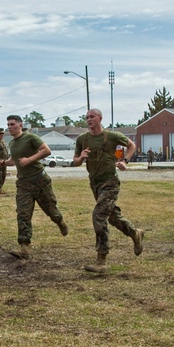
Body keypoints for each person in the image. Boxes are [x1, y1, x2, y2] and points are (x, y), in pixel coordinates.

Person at [72, 108, 145, 273]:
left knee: (98, 215)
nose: (89, 120)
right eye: (87, 117)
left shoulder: (112, 136)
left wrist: (125, 161)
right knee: (112, 217)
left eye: (92, 117)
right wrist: (81, 157)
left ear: (100, 118)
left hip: (110, 181)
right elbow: (75, 161)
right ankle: (135, 233)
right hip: (95, 183)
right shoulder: (82, 139)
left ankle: (101, 259)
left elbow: (131, 145)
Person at [2, 114, 68, 259]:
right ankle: (24, 246)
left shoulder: (30, 138)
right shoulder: (12, 143)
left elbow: (46, 150)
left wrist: (29, 159)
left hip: (39, 180)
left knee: (50, 209)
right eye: (8, 125)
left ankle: (59, 221)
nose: (10, 127)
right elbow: (14, 160)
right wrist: (4, 163)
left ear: (20, 125)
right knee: (23, 213)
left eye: (12, 124)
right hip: (23, 183)